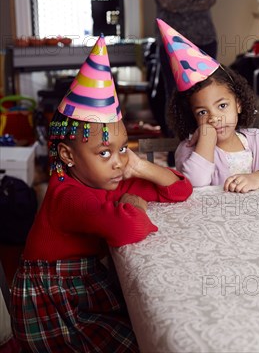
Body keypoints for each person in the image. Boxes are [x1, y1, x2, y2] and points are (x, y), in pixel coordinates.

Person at [10, 36, 193, 352]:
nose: (118, 161)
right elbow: (129, 227)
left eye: (122, 148)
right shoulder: (66, 197)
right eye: (104, 152)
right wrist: (133, 202)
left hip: (81, 287)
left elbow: (180, 190)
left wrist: (141, 168)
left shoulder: (109, 176)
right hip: (53, 302)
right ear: (68, 156)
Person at [157, 19, 259, 191]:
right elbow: (194, 183)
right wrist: (207, 139)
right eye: (203, 112)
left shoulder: (258, 140)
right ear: (192, 116)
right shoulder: (188, 149)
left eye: (222, 106)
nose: (214, 118)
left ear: (238, 104)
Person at [151, 0, 218, 164]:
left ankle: (204, 148)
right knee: (175, 95)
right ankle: (176, 150)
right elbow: (164, 2)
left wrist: (176, 0)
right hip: (171, 41)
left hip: (204, 39)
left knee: (204, 95)